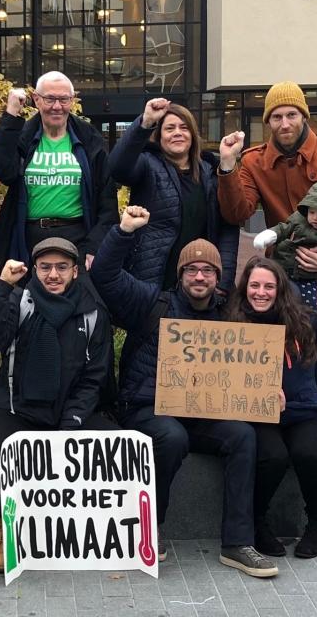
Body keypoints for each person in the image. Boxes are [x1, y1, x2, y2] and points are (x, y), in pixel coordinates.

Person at [90, 210, 278, 579]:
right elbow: (105, 275)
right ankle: (147, 530)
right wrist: (124, 232)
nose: (199, 276)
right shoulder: (151, 302)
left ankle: (238, 543)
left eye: (207, 270)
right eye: (191, 270)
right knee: (170, 437)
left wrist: (272, 389)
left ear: (217, 278)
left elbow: (257, 354)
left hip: (204, 412)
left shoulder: (230, 314)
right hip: (149, 407)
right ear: (180, 275)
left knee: (242, 435)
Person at [218, 80, 317, 434]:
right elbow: (237, 210)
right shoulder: (255, 161)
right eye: (276, 117)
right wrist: (228, 166)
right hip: (284, 285)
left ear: (304, 116)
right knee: (281, 375)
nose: (284, 124)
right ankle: (285, 452)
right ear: (267, 122)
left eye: (291, 115)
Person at [0, 237, 116, 574]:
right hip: (18, 409)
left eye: (61, 267)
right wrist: (2, 287)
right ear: (35, 270)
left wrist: (74, 419)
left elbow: (94, 376)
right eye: (45, 267)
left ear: (75, 270)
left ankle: (102, 533)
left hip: (69, 411)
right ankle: (3, 530)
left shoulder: (92, 312)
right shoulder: (19, 300)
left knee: (117, 444)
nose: (53, 274)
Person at [225, 254, 317, 558]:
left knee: (307, 452)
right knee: (272, 457)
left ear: (280, 290)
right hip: (258, 416)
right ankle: (257, 523)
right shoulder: (231, 323)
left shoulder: (302, 321)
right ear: (244, 288)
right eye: (254, 285)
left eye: (268, 286)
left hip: (305, 412)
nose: (260, 292)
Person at [0, 73, 117, 272]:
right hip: (29, 237)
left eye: (64, 99)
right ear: (36, 100)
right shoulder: (23, 135)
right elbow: (2, 170)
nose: (57, 106)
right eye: (49, 99)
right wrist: (11, 115)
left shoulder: (89, 138)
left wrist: (94, 246)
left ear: (72, 101)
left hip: (77, 236)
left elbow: (107, 200)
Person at [108, 98, 239, 293]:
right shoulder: (146, 164)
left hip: (201, 283)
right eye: (170, 128)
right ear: (159, 136)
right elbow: (118, 168)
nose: (177, 132)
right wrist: (145, 123)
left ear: (192, 135)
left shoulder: (210, 172)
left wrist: (223, 283)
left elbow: (227, 228)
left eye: (184, 128)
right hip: (155, 282)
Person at [252, 181, 317, 308]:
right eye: (312, 212)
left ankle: (303, 325)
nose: (315, 218)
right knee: (275, 300)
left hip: (308, 277)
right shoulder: (299, 218)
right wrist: (269, 235)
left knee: (306, 306)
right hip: (282, 266)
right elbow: (284, 229)